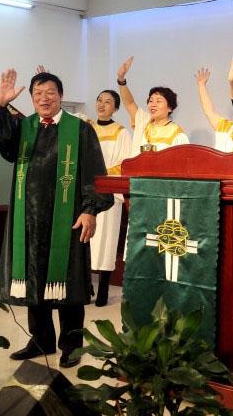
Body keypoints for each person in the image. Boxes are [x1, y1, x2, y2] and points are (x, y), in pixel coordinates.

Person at [0, 69, 113, 368]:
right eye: (37, 94)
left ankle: (71, 346)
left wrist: (90, 209)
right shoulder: (22, 128)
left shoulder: (80, 130)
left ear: (61, 96)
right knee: (33, 282)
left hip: (69, 219)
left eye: (49, 92)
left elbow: (96, 173)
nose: (44, 98)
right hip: (29, 220)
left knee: (69, 288)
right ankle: (41, 340)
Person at [87, 89, 132, 306]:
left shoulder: (121, 132)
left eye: (108, 101)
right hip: (86, 191)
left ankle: (103, 289)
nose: (102, 104)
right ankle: (86, 287)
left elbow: (125, 163)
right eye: (99, 100)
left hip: (107, 192)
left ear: (115, 108)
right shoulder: (87, 128)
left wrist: (101, 174)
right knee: (84, 240)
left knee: (105, 240)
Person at [116, 56, 189, 154]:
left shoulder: (177, 134)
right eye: (151, 101)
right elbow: (129, 103)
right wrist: (121, 79)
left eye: (158, 101)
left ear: (170, 108)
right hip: (139, 169)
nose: (153, 104)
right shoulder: (144, 122)